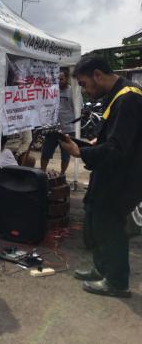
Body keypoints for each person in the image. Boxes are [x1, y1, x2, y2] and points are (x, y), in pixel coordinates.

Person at [60, 56, 142, 298]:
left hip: (123, 176)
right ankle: (101, 268)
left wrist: (81, 151)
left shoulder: (128, 98)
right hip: (109, 172)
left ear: (97, 75)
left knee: (110, 225)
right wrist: (96, 141)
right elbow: (117, 136)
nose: (84, 91)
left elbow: (118, 148)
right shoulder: (117, 95)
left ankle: (117, 282)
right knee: (94, 216)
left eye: (84, 84)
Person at [41, 68, 76, 174]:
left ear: (67, 78)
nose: (59, 81)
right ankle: (42, 173)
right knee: (45, 152)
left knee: (65, 156)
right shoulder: (52, 90)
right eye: (57, 79)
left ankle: (62, 175)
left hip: (67, 130)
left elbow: (78, 109)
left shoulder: (72, 92)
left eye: (61, 79)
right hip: (52, 128)